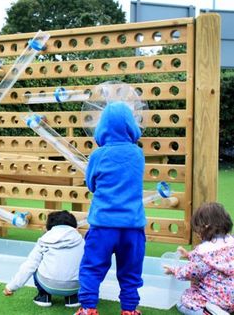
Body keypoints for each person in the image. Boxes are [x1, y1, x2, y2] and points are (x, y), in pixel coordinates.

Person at [76, 102, 145, 315]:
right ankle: (129, 309)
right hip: (133, 226)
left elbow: (91, 185)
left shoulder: (98, 155)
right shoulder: (137, 154)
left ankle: (88, 308)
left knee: (92, 267)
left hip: (103, 225)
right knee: (131, 271)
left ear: (102, 126)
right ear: (130, 125)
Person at [3, 211, 84, 308]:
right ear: (74, 227)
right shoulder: (81, 241)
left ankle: (43, 297)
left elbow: (29, 266)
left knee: (35, 264)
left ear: (48, 227)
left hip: (48, 284)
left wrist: (11, 287)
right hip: (75, 286)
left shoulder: (44, 241)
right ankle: (72, 299)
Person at [164, 202, 234, 315]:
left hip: (217, 299)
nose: (197, 234)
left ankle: (209, 312)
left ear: (205, 226)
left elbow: (191, 272)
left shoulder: (203, 252)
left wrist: (174, 270)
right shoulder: (231, 242)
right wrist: (189, 255)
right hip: (231, 297)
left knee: (184, 301)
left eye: (197, 230)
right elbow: (216, 259)